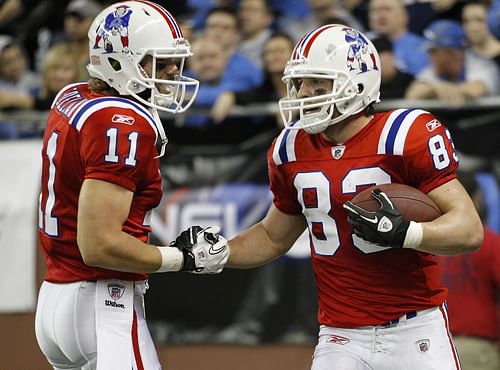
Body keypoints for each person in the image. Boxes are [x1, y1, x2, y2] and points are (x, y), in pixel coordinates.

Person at [177, 24, 484, 370]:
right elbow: (272, 236)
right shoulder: (290, 148)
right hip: (340, 334)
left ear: (357, 85)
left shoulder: (403, 135)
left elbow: (468, 229)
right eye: (300, 83)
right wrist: (222, 252)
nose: (304, 94)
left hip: (414, 328)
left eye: (317, 84)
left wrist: (408, 233)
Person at [34, 2, 229, 370]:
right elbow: (98, 244)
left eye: (174, 61)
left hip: (56, 299)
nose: (172, 72)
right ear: (119, 62)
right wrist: (181, 258)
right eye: (159, 61)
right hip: (102, 305)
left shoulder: (73, 95)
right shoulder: (121, 122)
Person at [437, 170, 500, 370]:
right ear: (474, 201)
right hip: (476, 347)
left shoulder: (426, 245)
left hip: (433, 347)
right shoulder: (492, 243)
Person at [405, 19, 499, 105]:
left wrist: (452, 89)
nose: (429, 57)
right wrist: (435, 88)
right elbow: (413, 94)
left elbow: (477, 90)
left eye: (433, 51)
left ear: (451, 51)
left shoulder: (481, 64)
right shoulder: (432, 70)